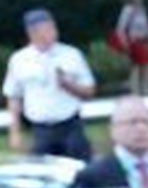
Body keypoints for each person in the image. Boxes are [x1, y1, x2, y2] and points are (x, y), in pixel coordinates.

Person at [5, 8, 95, 159]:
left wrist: (68, 85)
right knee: (43, 173)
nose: (52, 32)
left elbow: (90, 91)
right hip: (40, 130)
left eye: (53, 27)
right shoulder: (19, 60)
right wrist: (15, 132)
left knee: (81, 170)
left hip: (70, 126)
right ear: (32, 33)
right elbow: (13, 96)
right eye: (45, 29)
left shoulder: (71, 55)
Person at [71, 95, 148, 188]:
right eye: (132, 122)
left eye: (146, 122)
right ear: (113, 130)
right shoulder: (93, 176)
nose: (141, 128)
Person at [113, 0, 148, 96]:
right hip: (133, 41)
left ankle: (141, 88)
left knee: (143, 64)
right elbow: (120, 28)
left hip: (144, 40)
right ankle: (141, 89)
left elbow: (146, 24)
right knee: (143, 64)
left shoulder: (142, 9)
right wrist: (124, 42)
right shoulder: (128, 10)